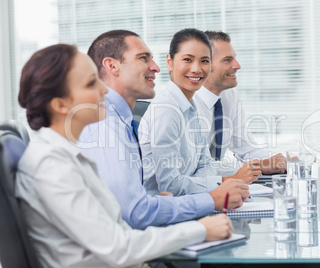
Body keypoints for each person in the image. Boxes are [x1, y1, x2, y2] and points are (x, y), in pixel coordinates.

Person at [16, 44, 233, 268]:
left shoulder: (68, 154)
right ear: (60, 104)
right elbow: (117, 248)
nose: (104, 89)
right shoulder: (51, 164)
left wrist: (161, 205)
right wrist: (200, 230)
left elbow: (116, 224)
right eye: (91, 83)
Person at [78, 30, 249, 230]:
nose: (155, 67)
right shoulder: (105, 124)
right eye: (143, 58)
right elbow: (137, 212)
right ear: (112, 66)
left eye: (204, 61)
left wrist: (168, 201)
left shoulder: (125, 120)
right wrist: (211, 199)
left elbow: (205, 164)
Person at [139, 28, 260, 197]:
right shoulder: (167, 110)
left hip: (189, 201)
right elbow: (171, 186)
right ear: (170, 62)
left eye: (204, 61)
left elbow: (206, 165)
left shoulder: (190, 105)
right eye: (187, 60)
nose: (196, 69)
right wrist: (226, 182)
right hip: (165, 212)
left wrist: (199, 181)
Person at [193, 30, 287, 176]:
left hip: (217, 186)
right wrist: (257, 167)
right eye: (227, 60)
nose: (237, 65)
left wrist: (275, 161)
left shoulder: (229, 95)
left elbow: (245, 146)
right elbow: (197, 166)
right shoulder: (187, 103)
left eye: (234, 59)